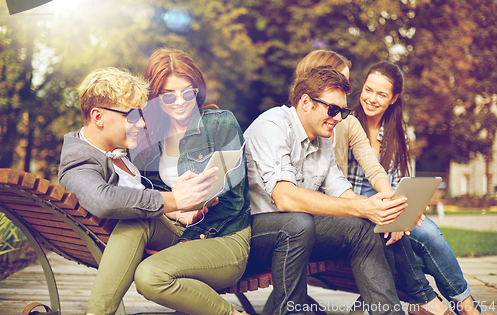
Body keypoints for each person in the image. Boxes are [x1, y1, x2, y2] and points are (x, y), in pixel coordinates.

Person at [58, 66, 249, 315]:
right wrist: (174, 199)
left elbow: (140, 198)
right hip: (158, 237)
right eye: (132, 115)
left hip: (198, 232)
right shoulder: (78, 158)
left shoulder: (120, 150)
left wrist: (175, 212)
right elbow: (103, 200)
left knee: (141, 238)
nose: (142, 124)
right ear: (98, 117)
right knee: (137, 230)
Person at [245, 65, 410, 315]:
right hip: (252, 235)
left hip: (299, 231)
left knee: (364, 228)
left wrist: (382, 208)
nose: (339, 118)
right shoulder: (273, 126)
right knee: (299, 222)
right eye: (333, 109)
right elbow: (285, 198)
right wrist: (361, 206)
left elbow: (341, 190)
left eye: (343, 111)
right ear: (305, 102)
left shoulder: (322, 140)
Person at [346, 60, 484, 315]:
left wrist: (404, 210)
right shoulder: (345, 124)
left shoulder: (396, 132)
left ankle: (466, 307)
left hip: (391, 203)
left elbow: (400, 183)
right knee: (408, 244)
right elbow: (335, 182)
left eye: (382, 94)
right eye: (368, 89)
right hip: (357, 206)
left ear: (394, 98)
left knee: (429, 233)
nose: (372, 98)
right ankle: (444, 306)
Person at [131, 47, 251, 315]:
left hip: (224, 237)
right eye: (168, 96)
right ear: (154, 97)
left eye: (188, 92)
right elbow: (147, 194)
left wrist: (189, 235)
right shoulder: (148, 138)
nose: (180, 102)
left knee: (150, 276)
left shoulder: (220, 124)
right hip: (174, 235)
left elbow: (234, 201)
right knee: (148, 275)